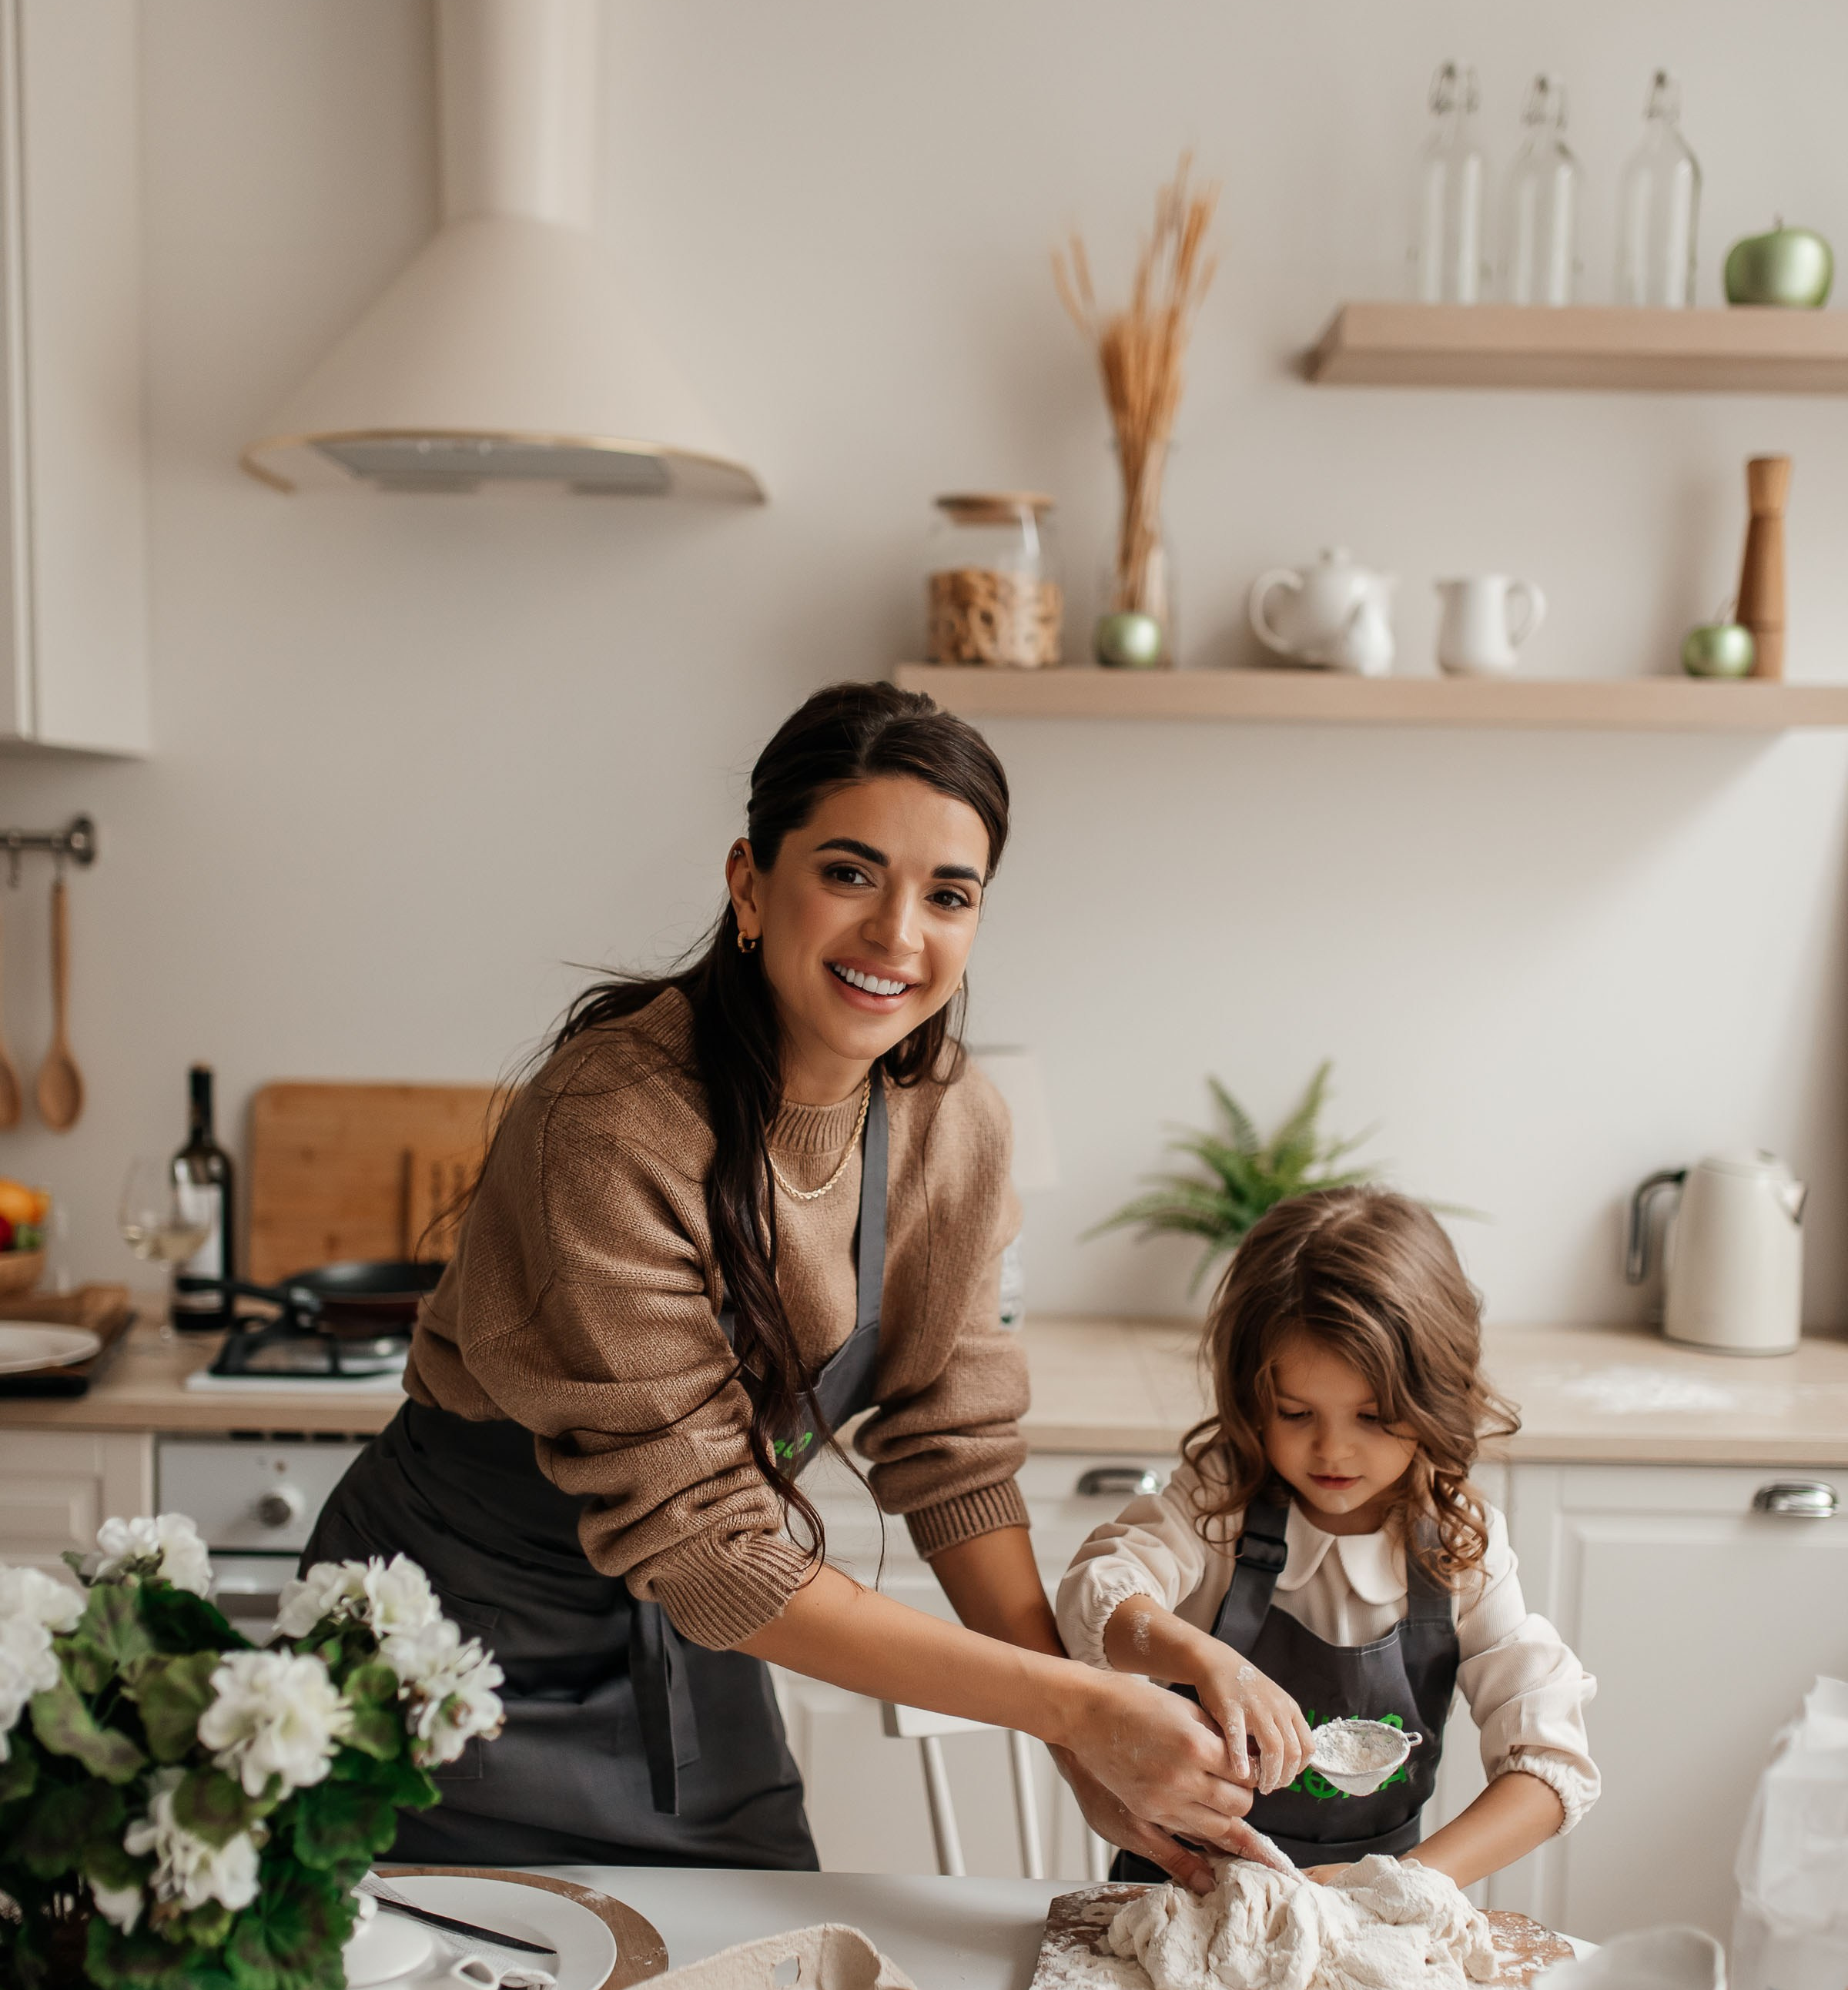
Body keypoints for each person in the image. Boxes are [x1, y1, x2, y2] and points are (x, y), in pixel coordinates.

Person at [303, 681, 1260, 1881]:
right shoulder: (613, 1123)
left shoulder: (954, 1126)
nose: (899, 936)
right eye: (851, 873)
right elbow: (709, 1548)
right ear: (750, 884)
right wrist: (1071, 1711)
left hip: (686, 1633)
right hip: (447, 1639)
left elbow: (952, 1455)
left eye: (948, 895)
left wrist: (1083, 1738)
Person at [1054, 1187, 1599, 1884]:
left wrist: (1393, 1884)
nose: (1332, 1451)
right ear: (1252, 1400)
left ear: (1435, 1396)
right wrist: (1207, 1660)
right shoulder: (1219, 1505)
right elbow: (1096, 1596)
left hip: (1370, 1924)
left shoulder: (1458, 1546)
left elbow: (1549, 1765)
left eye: (1373, 1417)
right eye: (1295, 1412)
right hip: (1183, 1895)